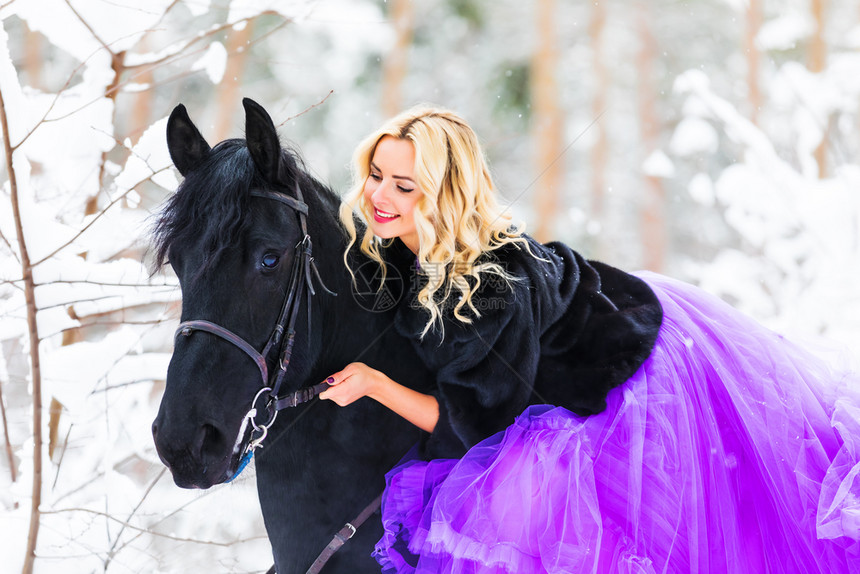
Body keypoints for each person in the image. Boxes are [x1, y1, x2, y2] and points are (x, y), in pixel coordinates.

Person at [320, 106, 860, 573]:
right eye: (375, 174)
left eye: (403, 185)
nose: (378, 195)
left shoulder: (486, 287)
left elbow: (476, 425)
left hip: (631, 369)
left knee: (605, 529)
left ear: (442, 196)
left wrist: (375, 384)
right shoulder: (396, 244)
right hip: (592, 324)